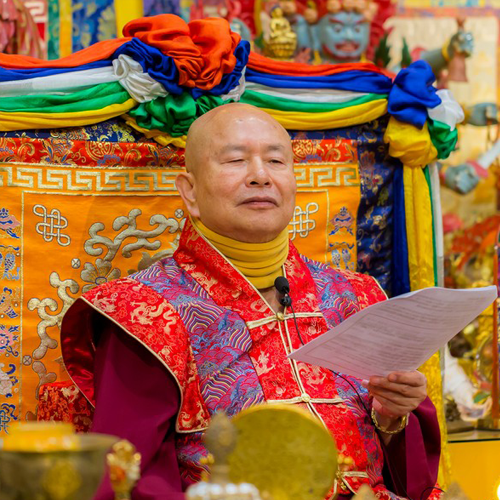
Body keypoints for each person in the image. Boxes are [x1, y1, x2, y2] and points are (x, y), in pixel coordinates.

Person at [61, 103, 441, 500]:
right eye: (236, 160)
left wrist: (392, 417)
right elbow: (130, 475)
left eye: (276, 161)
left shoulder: (354, 295)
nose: (260, 176)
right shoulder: (145, 313)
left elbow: (412, 480)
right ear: (190, 191)